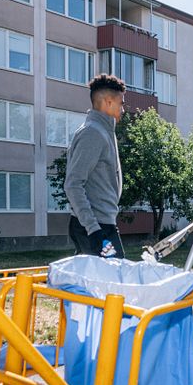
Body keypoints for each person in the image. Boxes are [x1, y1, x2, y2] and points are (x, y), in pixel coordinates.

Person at [64, 74, 126, 258]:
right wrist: (93, 229)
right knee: (116, 280)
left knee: (98, 283)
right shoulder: (93, 133)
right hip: (94, 227)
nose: (123, 108)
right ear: (108, 102)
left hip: (102, 223)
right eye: (121, 103)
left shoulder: (105, 131)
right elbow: (73, 184)